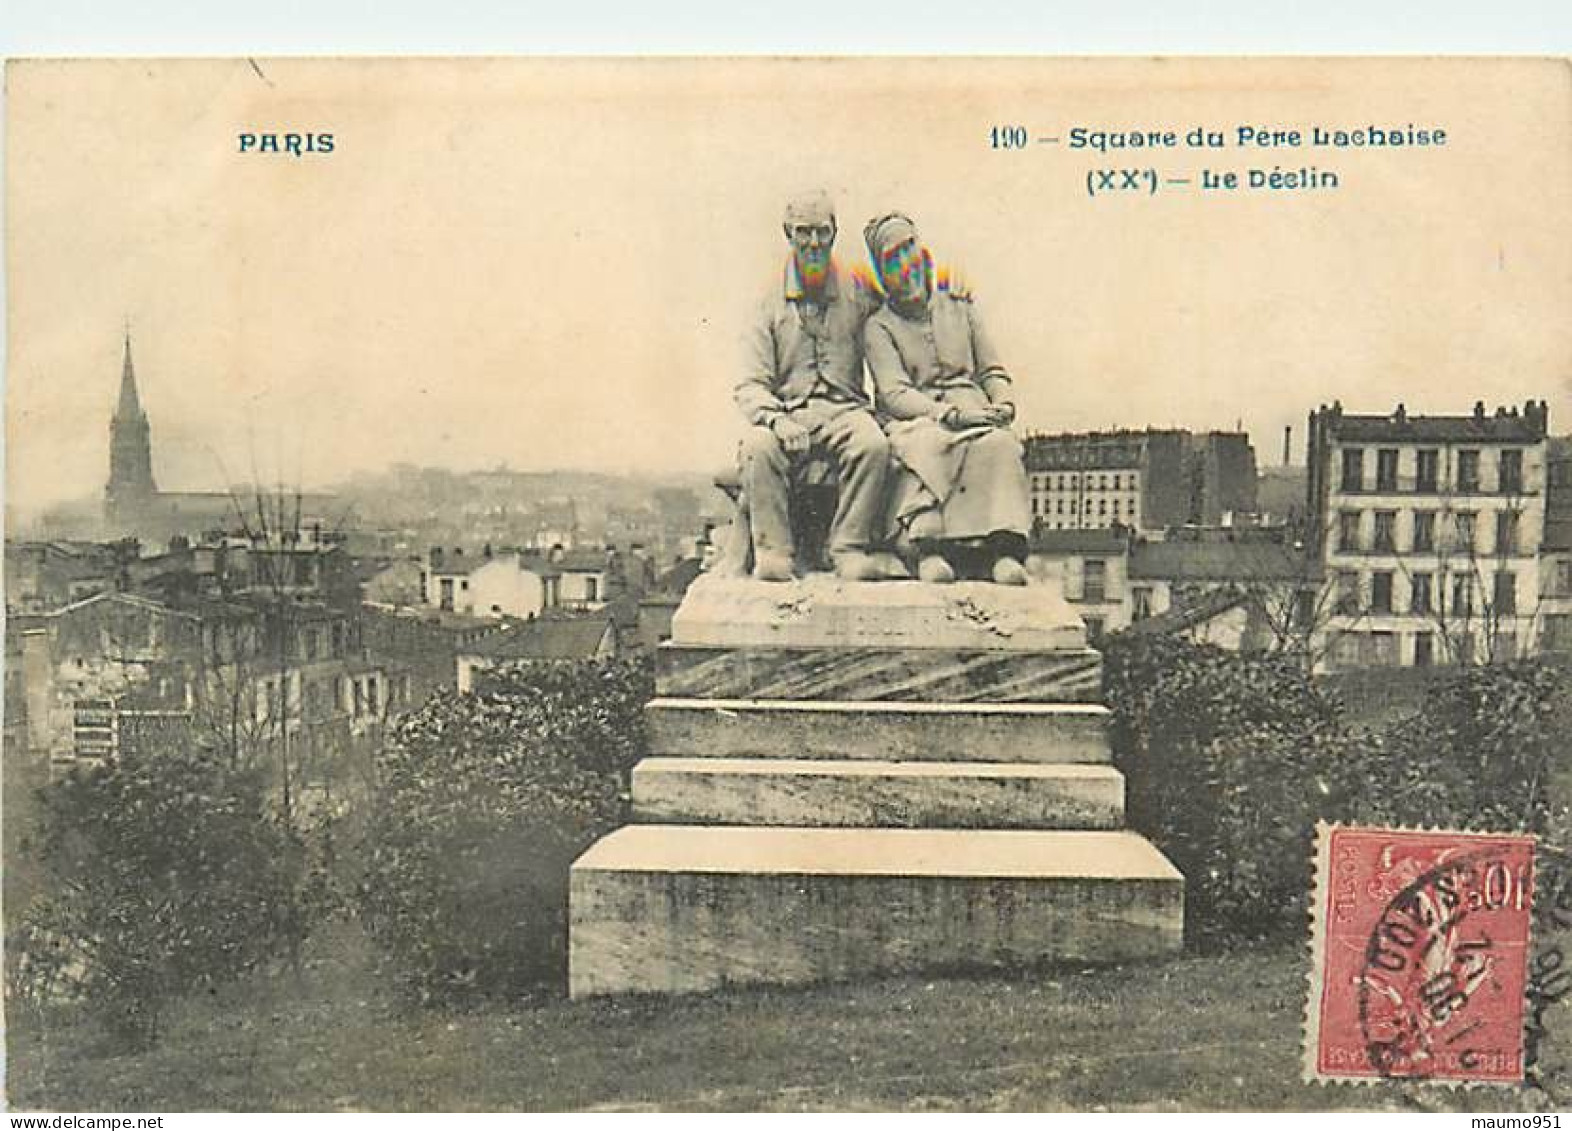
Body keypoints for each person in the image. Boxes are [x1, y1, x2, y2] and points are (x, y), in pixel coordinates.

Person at [861, 212, 1031, 586]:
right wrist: (947, 414)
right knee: (928, 444)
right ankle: (927, 549)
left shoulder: (960, 306)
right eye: (893, 257)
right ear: (882, 271)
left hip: (972, 408)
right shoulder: (879, 326)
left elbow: (992, 370)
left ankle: (1001, 551)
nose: (906, 264)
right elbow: (894, 392)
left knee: (1000, 444)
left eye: (910, 248)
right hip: (916, 418)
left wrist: (1002, 400)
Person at [734, 190, 892, 582]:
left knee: (872, 445)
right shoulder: (766, 303)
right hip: (789, 413)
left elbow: (908, 302)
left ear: (835, 233)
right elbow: (751, 384)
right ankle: (774, 550)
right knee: (758, 447)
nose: (814, 243)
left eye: (823, 232)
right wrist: (777, 421)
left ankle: (847, 546)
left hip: (846, 411)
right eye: (804, 232)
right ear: (788, 233)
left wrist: (948, 291)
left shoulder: (859, 290)